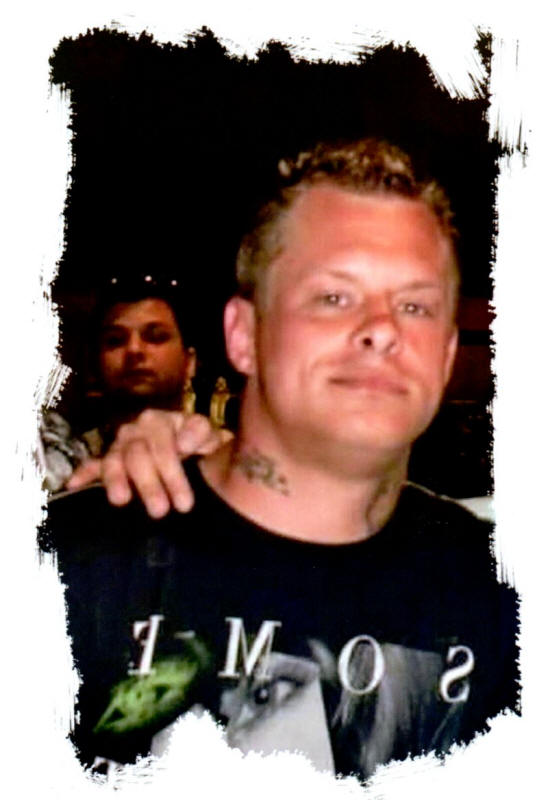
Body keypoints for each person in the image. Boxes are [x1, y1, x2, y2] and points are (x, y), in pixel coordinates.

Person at [43, 137, 518, 781]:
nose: (383, 329)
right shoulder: (70, 568)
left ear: (445, 356)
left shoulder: (505, 600)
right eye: (334, 296)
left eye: (415, 305)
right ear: (243, 335)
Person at [39, 277, 224, 493]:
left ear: (189, 362)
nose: (134, 349)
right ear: (95, 365)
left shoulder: (220, 456)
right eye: (115, 340)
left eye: (155, 337)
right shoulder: (63, 460)